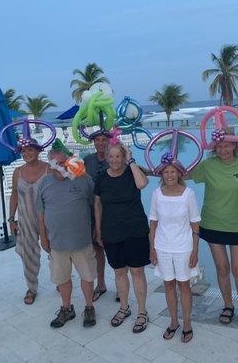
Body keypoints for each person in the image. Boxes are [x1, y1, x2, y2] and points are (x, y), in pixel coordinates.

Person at [190, 128, 238, 326]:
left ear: (235, 145)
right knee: (222, 268)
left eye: (227, 145)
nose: (224, 150)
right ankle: (228, 305)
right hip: (212, 223)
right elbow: (180, 176)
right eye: (219, 146)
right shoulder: (207, 166)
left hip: (237, 224)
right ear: (214, 148)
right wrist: (152, 171)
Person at [37, 141, 97, 328]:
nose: (61, 168)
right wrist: (43, 236)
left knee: (87, 276)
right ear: (50, 165)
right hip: (57, 242)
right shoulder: (44, 183)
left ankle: (89, 307)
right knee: (62, 278)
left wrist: (96, 228)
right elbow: (40, 213)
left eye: (64, 163)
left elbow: (94, 203)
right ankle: (66, 308)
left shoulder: (82, 178)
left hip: (82, 240)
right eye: (56, 164)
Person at [94, 141, 150, 333]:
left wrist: (131, 159)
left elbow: (142, 183)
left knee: (137, 272)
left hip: (135, 230)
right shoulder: (101, 178)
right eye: (111, 156)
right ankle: (124, 307)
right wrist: (99, 230)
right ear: (106, 158)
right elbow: (98, 205)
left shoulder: (132, 172)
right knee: (119, 272)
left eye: (119, 156)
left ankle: (142, 312)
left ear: (123, 156)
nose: (115, 160)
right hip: (112, 231)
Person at [149, 164, 200, 343]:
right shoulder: (157, 193)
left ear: (179, 173)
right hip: (162, 246)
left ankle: (187, 324)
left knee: (184, 286)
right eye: (166, 171)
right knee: (168, 285)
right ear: (162, 174)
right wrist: (152, 249)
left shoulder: (188, 194)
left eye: (173, 171)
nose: (169, 175)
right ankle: (173, 322)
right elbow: (153, 223)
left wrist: (195, 250)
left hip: (183, 247)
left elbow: (195, 224)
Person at [8, 138, 50, 305]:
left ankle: (61, 281)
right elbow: (14, 196)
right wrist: (11, 218)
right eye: (23, 151)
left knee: (55, 251)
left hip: (49, 218)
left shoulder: (49, 168)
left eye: (30, 150)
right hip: (25, 219)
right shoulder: (17, 172)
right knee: (29, 254)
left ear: (38, 151)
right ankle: (31, 288)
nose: (26, 154)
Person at [83, 132, 109, 301]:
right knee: (97, 250)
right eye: (97, 140)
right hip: (92, 212)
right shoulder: (88, 160)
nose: (101, 143)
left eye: (104, 139)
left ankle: (123, 284)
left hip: (112, 212)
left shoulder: (115, 157)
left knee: (117, 250)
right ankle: (101, 283)